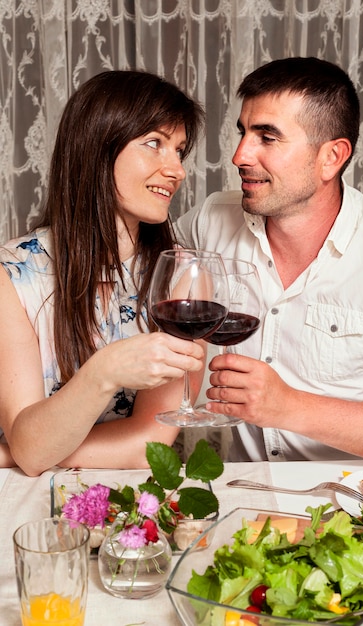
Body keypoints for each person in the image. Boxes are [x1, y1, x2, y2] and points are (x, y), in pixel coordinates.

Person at [175, 56, 363, 463]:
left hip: (356, 505)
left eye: (267, 137)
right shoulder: (211, 220)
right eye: (244, 133)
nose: (239, 156)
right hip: (245, 500)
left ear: (331, 157)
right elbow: (132, 258)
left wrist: (287, 406)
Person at [0, 70, 206, 476]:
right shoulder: (13, 275)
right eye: (155, 144)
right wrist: (105, 370)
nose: (177, 170)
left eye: (179, 150)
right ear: (96, 148)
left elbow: (147, 447)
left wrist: (17, 453)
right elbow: (29, 445)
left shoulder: (182, 274)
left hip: (132, 500)